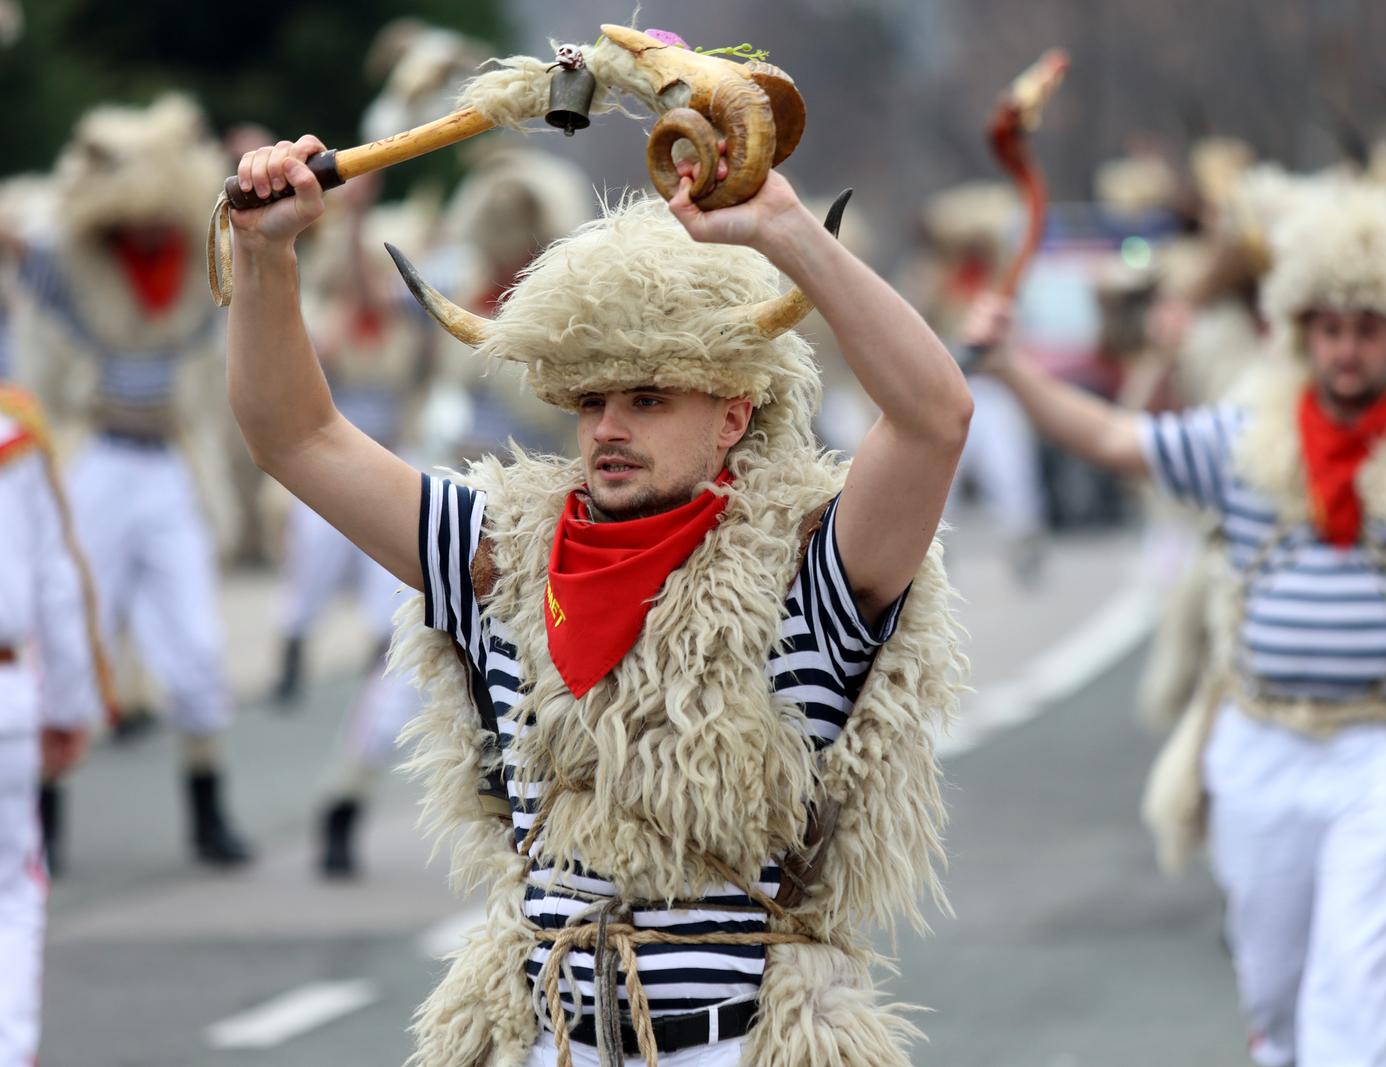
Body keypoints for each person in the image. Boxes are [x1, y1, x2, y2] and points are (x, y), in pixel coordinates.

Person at [224, 132, 969, 1067]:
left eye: (650, 399)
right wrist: (264, 255)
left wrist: (785, 231)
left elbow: (936, 420)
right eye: (590, 400)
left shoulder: (806, 569)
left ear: (734, 412)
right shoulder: (496, 555)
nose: (609, 428)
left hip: (730, 1049)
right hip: (549, 1043)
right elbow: (293, 435)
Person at [968, 182, 1386, 1067]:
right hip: (1257, 745)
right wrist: (1010, 368)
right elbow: (1116, 443)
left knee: (1353, 995)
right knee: (1276, 996)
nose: (1347, 349)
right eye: (1331, 327)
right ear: (1301, 329)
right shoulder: (1242, 435)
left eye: (1369, 328)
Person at [4, 95, 251, 865]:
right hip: (94, 462)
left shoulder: (202, 261)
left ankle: (207, 804)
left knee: (198, 645)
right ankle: (43, 815)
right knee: (73, 631)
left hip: (170, 463)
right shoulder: (66, 263)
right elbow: (32, 238)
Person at [0, 384, 106, 1063]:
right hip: (5, 692)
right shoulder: (14, 427)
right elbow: (52, 578)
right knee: (9, 896)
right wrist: (67, 703)